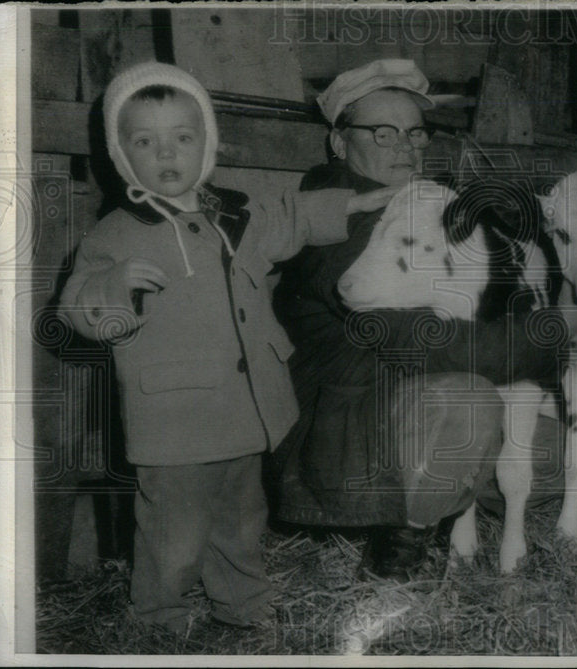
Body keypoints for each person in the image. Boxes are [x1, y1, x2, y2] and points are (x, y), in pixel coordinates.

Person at [59, 62, 391, 632]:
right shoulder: (114, 233)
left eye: (183, 138)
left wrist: (350, 205)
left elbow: (289, 217)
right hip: (173, 421)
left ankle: (244, 603)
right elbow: (75, 310)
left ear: (207, 144)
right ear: (119, 154)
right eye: (145, 141)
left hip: (244, 408)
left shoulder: (231, 213)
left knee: (241, 519)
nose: (166, 154)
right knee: (174, 529)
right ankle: (160, 617)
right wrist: (114, 287)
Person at [270, 59, 573, 580]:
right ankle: (399, 546)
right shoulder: (333, 216)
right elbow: (434, 342)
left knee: (551, 455)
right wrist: (555, 333)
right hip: (336, 423)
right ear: (339, 143)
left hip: (400, 404)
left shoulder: (418, 205)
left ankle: (451, 498)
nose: (406, 147)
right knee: (471, 400)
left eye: (415, 133)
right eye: (383, 134)